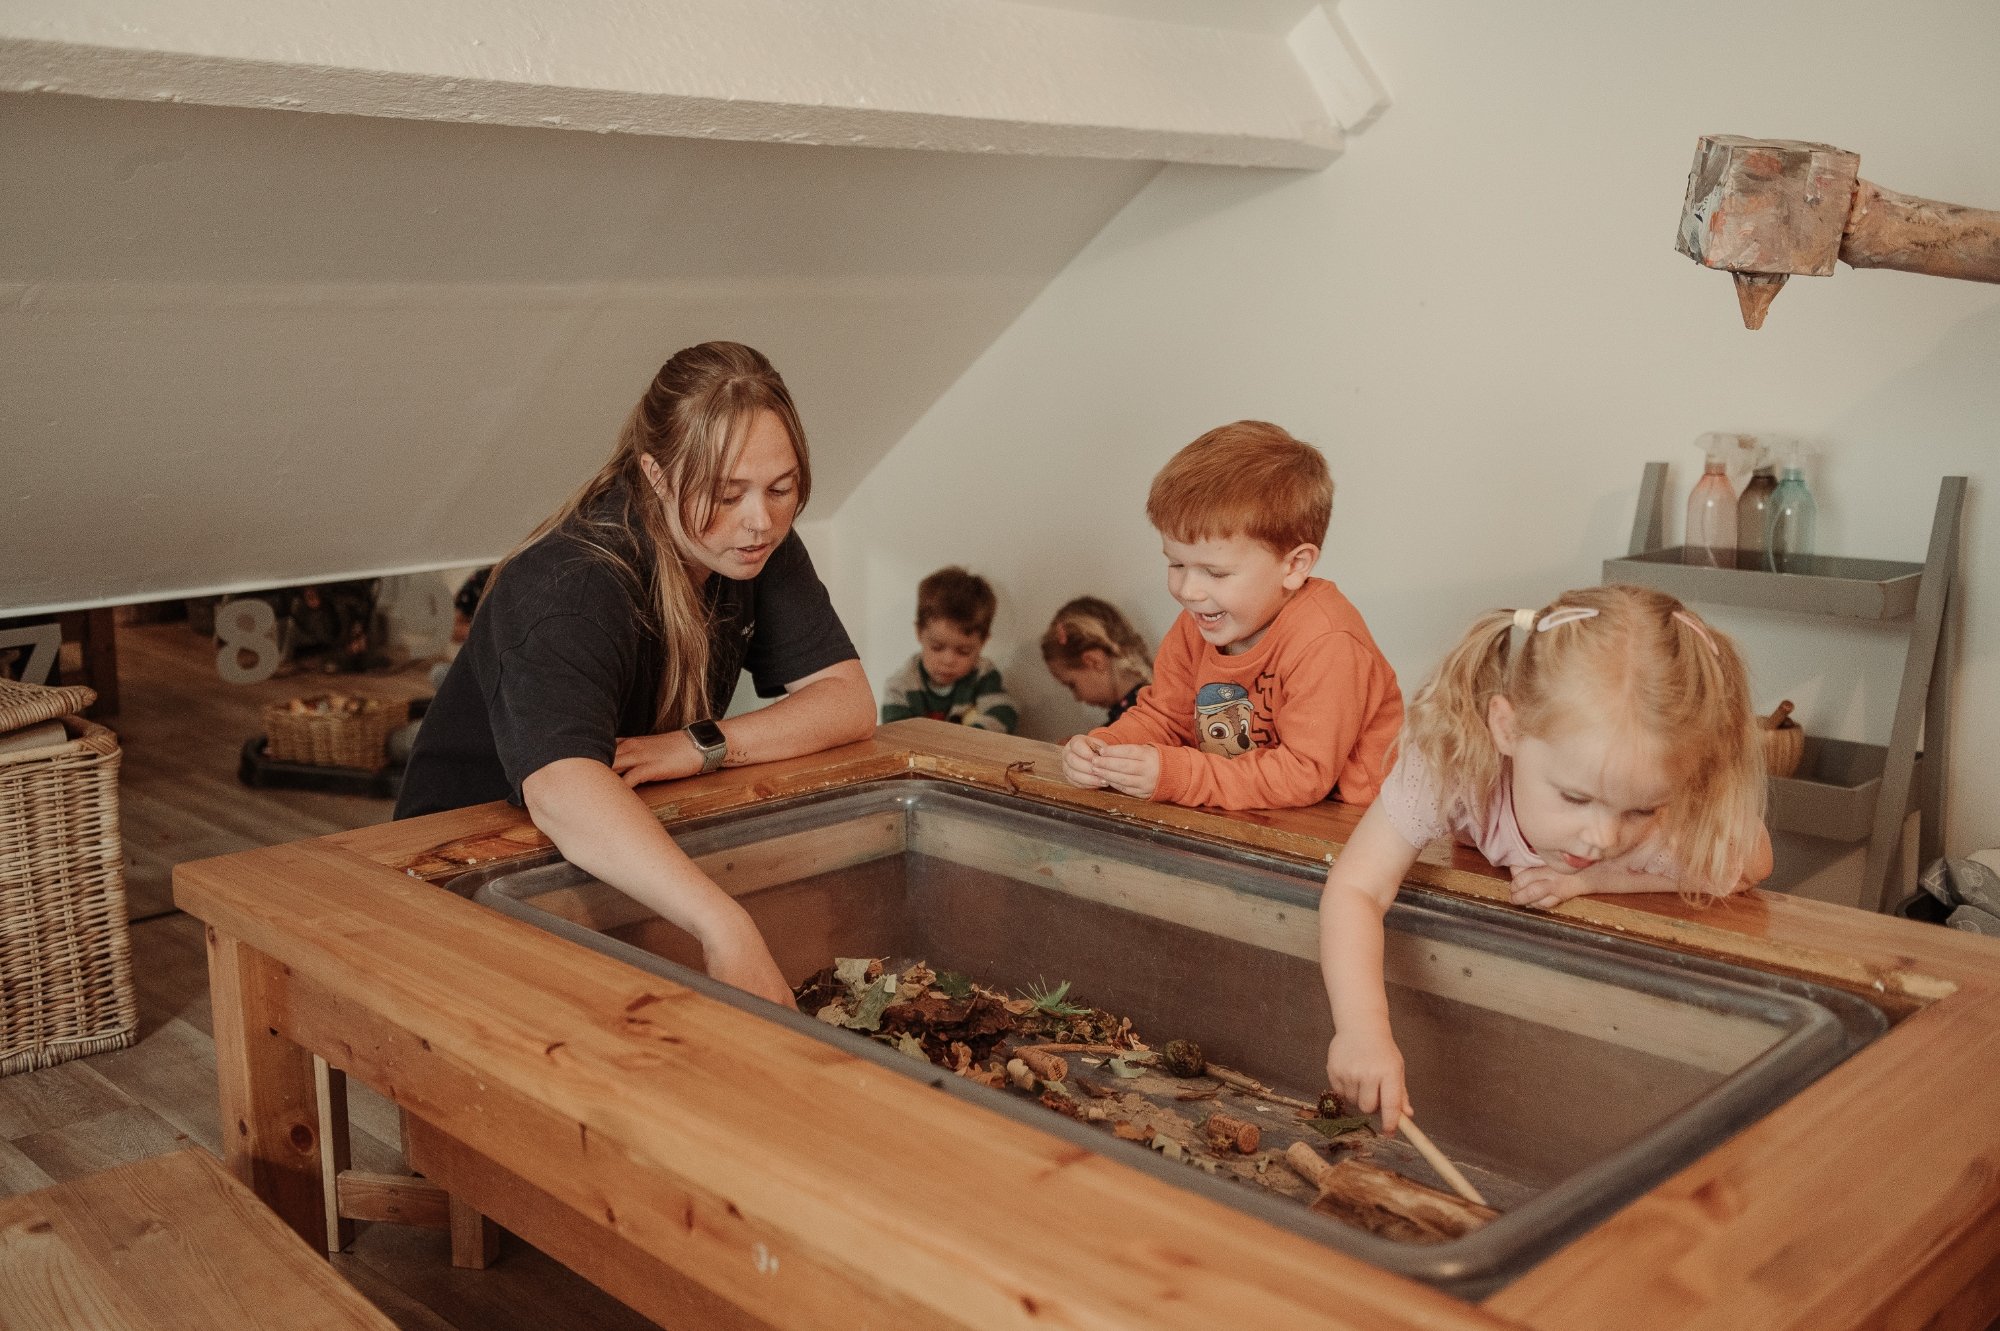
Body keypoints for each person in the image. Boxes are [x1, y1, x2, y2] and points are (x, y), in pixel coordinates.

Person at [395, 342, 875, 1008]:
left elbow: (848, 700)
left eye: (782, 487)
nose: (759, 520)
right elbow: (562, 787)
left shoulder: (753, 543)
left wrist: (698, 744)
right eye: (726, 492)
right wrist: (726, 924)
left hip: (614, 845)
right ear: (656, 473)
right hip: (464, 866)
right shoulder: (570, 583)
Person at [1319, 585, 1773, 1133]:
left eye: (1640, 811)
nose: (1603, 835)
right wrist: (1363, 1030)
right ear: (1507, 729)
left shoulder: (1672, 808)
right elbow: (1358, 888)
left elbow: (1754, 862)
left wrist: (1598, 881)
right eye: (1576, 799)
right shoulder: (1455, 759)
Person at [1060, 420, 1402, 810]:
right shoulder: (1200, 622)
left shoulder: (1328, 643)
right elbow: (1165, 717)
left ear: (1294, 566)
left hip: (1344, 829)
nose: (1188, 591)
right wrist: (1105, 748)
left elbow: (1303, 774)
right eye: (1176, 565)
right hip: (1249, 815)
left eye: (1216, 573)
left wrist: (1180, 774)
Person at [878, 567, 1018, 732]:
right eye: (937, 647)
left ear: (983, 642)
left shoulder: (983, 675)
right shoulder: (901, 686)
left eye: (963, 651)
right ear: (919, 633)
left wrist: (969, 739)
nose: (948, 660)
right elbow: (896, 734)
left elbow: (1004, 712)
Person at [1039, 596, 1153, 724]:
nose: (1077, 698)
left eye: (1072, 685)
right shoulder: (1127, 710)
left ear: (1094, 661)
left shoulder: (1143, 713)